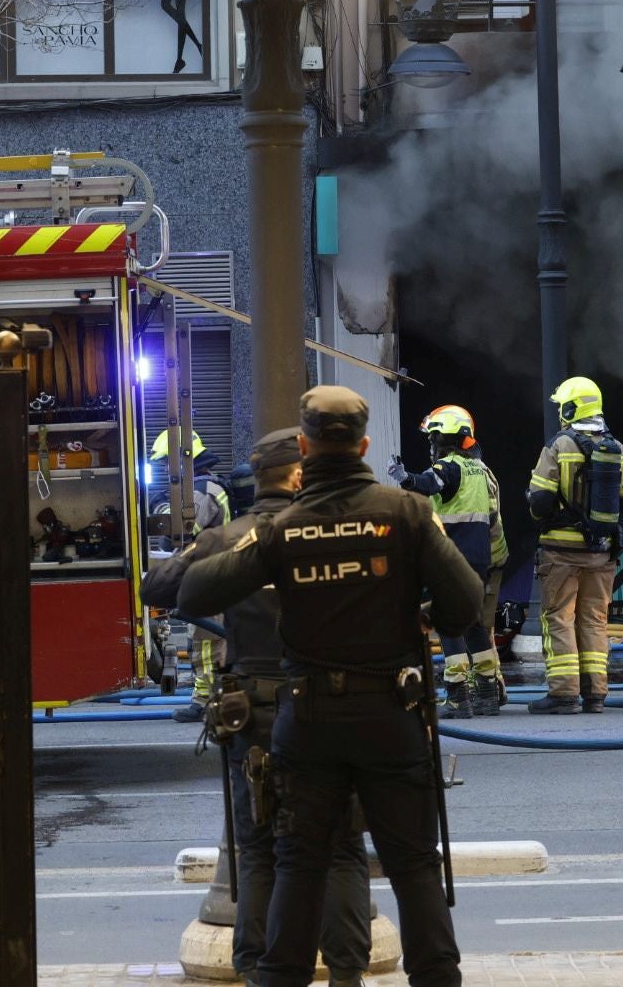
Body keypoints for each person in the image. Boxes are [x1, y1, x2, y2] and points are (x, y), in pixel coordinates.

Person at [178, 386, 482, 987]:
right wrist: (430, 615)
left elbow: (191, 594)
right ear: (365, 445)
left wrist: (259, 542)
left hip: (308, 721)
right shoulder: (408, 513)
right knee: (414, 866)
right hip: (391, 718)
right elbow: (467, 602)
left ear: (305, 446)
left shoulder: (282, 529)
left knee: (298, 865)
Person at [142, 427, 372, 987]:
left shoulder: (229, 539)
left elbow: (158, 586)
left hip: (256, 710)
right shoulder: (339, 530)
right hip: (333, 702)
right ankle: (346, 974)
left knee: (260, 846)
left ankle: (258, 971)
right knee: (340, 844)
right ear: (301, 474)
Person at [525, 376, 623, 715]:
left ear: (571, 407)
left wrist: (532, 501)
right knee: (594, 619)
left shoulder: (559, 446)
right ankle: (595, 695)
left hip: (560, 552)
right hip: (602, 552)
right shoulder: (616, 448)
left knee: (559, 617)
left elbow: (542, 501)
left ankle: (562, 694)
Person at [387, 405, 509, 718]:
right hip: (479, 558)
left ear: (444, 438)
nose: (431, 444)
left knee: (448, 622)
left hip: (452, 557)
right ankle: (486, 693)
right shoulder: (480, 469)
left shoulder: (450, 466)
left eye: (433, 438)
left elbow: (429, 484)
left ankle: (457, 697)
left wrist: (405, 478)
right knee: (473, 624)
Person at [149, 428, 232, 721]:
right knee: (201, 641)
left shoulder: (201, 490)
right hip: (208, 576)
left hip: (209, 577)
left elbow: (182, 531)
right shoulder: (205, 487)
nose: (161, 470)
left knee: (207, 644)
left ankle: (206, 702)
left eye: (164, 463)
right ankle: (207, 693)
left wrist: (160, 514)